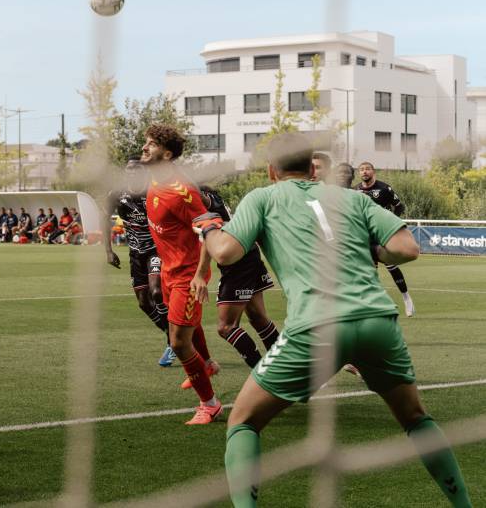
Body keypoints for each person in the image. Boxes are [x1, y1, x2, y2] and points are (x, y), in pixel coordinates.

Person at [197, 133, 470, 507]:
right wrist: (367, 246)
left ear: (271, 170)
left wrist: (209, 229)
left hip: (317, 326)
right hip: (377, 321)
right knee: (415, 419)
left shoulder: (262, 197)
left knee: (243, 422)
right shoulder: (353, 197)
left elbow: (226, 254)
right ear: (313, 168)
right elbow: (408, 249)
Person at [140, 123, 222, 425]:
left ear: (168, 153)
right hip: (170, 271)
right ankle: (208, 364)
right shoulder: (152, 179)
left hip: (188, 275)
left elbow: (210, 228)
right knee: (185, 328)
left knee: (178, 342)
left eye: (152, 144)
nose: (145, 147)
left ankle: (210, 404)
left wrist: (201, 275)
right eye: (145, 142)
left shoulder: (182, 190)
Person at [191, 186, 278, 372]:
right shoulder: (211, 207)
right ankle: (286, 368)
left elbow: (209, 237)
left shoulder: (207, 202)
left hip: (238, 262)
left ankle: (263, 375)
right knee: (258, 318)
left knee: (226, 327)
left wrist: (199, 275)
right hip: (246, 255)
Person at [103, 160, 175, 367]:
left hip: (156, 250)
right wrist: (108, 250)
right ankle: (173, 336)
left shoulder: (155, 191)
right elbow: (104, 218)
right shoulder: (116, 194)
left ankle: (173, 342)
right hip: (135, 254)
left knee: (156, 291)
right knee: (144, 302)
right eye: (129, 170)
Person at [356, 162, 415, 317]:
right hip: (365, 234)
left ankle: (406, 298)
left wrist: (389, 222)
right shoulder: (355, 190)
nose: (364, 172)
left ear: (373, 172)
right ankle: (375, 304)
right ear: (359, 173)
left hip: (382, 233)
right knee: (369, 270)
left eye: (367, 169)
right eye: (361, 169)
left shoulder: (384, 189)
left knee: (391, 265)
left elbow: (399, 206)